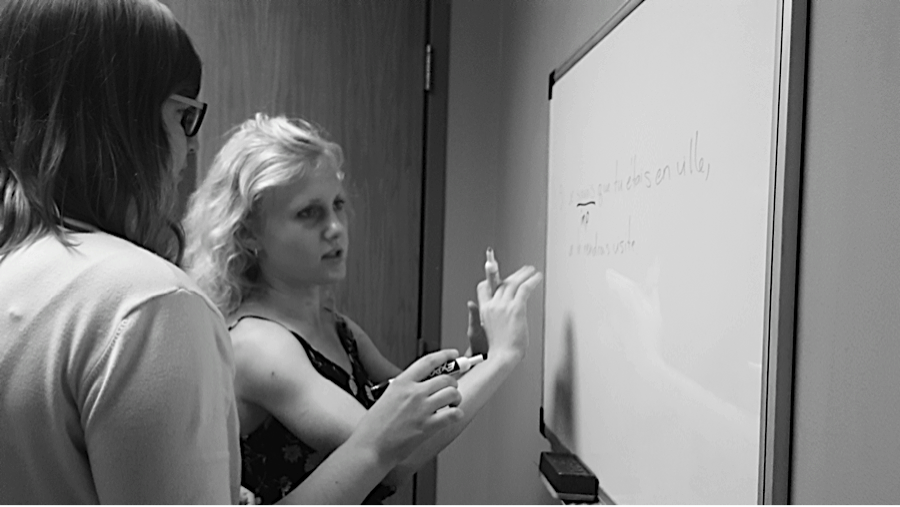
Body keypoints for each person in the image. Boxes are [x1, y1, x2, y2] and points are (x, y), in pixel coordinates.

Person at [0, 0, 465, 504]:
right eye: (183, 117)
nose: (189, 150)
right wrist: (380, 444)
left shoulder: (19, 270)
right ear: (119, 121)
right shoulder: (152, 306)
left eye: (337, 206)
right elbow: (395, 457)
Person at [183, 113, 543, 505]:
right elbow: (393, 456)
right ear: (248, 233)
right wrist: (503, 358)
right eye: (309, 213)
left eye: (337, 205)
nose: (335, 227)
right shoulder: (259, 345)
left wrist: (478, 359)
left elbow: (417, 412)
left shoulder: (338, 328)